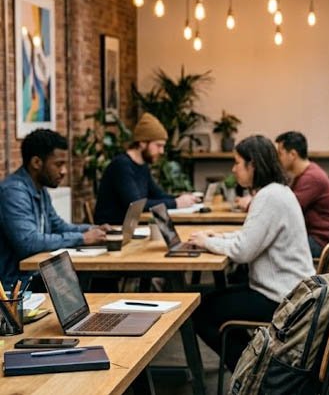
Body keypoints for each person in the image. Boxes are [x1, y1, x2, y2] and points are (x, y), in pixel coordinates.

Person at [188, 135, 315, 371]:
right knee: (211, 301)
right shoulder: (276, 192)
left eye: (237, 163)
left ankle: (252, 371)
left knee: (199, 311)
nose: (233, 169)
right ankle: (256, 363)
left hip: (281, 297)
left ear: (252, 164)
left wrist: (207, 243)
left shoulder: (268, 197)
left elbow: (243, 251)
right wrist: (217, 238)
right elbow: (251, 237)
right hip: (292, 292)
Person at [0, 129, 109, 287]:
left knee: (97, 279)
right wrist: (83, 238)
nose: (64, 171)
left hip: (38, 276)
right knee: (92, 281)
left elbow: (57, 226)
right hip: (18, 287)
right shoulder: (13, 192)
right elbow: (28, 243)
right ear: (37, 162)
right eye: (58, 164)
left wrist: (93, 229)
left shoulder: (40, 189)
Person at [94, 113, 195, 225]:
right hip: (113, 231)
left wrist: (182, 198)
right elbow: (136, 205)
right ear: (142, 143)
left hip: (133, 227)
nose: (161, 151)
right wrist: (176, 203)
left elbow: (158, 194)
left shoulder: (142, 165)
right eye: (158, 145)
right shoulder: (121, 165)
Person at [275, 131, 329, 258]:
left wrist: (252, 203)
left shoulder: (311, 178)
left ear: (293, 154)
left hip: (318, 242)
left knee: (270, 251)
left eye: (280, 154)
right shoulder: (305, 174)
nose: (278, 159)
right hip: (317, 238)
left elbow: (287, 210)